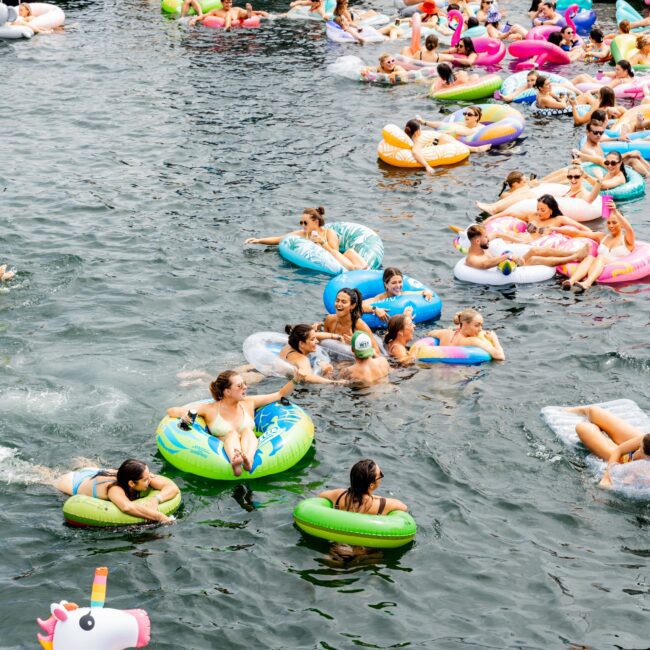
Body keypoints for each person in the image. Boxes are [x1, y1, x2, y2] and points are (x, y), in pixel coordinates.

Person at [167, 370, 296, 476]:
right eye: (239, 386)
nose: (245, 387)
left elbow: (280, 394)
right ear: (227, 391)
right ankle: (235, 460)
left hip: (249, 445)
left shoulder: (248, 403)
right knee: (232, 434)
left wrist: (296, 379)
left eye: (244, 384)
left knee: (247, 431)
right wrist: (185, 415)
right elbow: (173, 411)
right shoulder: (210, 409)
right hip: (223, 448)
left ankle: (248, 460)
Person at [54, 460, 180, 524]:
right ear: (131, 483)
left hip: (96, 472)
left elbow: (172, 488)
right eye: (146, 479)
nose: (150, 480)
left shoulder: (141, 476)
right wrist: (160, 517)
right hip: (73, 482)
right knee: (46, 477)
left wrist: (156, 499)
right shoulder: (115, 489)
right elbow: (126, 507)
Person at [245, 206, 369, 271]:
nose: (302, 226)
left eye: (305, 223)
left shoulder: (329, 233)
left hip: (337, 263)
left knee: (350, 252)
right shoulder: (304, 234)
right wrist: (259, 240)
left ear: (315, 222)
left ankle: (360, 269)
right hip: (320, 264)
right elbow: (280, 239)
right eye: (301, 222)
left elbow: (335, 253)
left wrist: (322, 242)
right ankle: (359, 269)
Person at [567, 405, 650, 488]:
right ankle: (564, 410)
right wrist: (607, 476)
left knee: (582, 427)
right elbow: (619, 450)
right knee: (593, 411)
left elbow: (627, 481)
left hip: (624, 461)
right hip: (638, 449)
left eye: (641, 450)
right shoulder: (645, 439)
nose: (639, 450)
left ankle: (604, 437)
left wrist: (608, 479)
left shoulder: (641, 470)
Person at [561, 200, 635, 292]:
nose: (611, 226)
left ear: (621, 224)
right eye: (608, 223)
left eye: (614, 222)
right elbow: (579, 233)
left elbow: (629, 229)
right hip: (596, 268)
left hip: (615, 269)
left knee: (600, 257)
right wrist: (556, 229)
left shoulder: (627, 240)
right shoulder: (602, 237)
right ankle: (570, 281)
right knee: (590, 257)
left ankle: (587, 283)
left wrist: (615, 211)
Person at [464, 222, 589, 270]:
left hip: (508, 264)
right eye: (485, 237)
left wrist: (518, 240)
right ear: (477, 241)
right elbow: (486, 265)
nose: (488, 238)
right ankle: (574, 258)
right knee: (535, 259)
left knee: (534, 250)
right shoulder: (472, 258)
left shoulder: (482, 244)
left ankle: (573, 253)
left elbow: (496, 234)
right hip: (503, 273)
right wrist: (508, 257)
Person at [319, 459, 408, 516]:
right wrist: (378, 498)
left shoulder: (339, 495)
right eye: (380, 474)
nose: (381, 476)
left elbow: (321, 496)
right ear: (372, 485)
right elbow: (403, 507)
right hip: (362, 545)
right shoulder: (380, 505)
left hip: (336, 543)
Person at [319, 287, 381, 354]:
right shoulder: (329, 320)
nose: (339, 304)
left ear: (352, 306)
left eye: (344, 302)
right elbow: (324, 344)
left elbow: (377, 353)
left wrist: (356, 343)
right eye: (337, 300)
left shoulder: (360, 326)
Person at [279, 324, 347, 385]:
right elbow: (307, 377)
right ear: (301, 344)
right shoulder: (302, 360)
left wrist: (337, 337)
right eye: (313, 339)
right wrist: (335, 382)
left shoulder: (291, 344)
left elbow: (316, 335)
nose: (317, 341)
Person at [426, 308, 505, 360]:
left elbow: (429, 333)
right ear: (464, 324)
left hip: (438, 370)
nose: (480, 329)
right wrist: (494, 339)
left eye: (481, 325)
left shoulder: (444, 333)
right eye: (477, 325)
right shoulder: (472, 341)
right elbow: (500, 356)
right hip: (458, 376)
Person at [361, 267, 433, 323]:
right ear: (386, 285)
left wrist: (427, 292)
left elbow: (423, 292)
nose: (398, 286)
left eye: (400, 282)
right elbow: (358, 306)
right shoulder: (379, 299)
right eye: (394, 283)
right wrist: (375, 309)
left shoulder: (404, 294)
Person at [191, 0, 268, 28]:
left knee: (244, 14)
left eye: (230, 2)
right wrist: (194, 19)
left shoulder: (236, 9)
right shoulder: (216, 11)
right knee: (228, 14)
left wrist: (260, 12)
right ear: (222, 3)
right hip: (228, 21)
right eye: (226, 3)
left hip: (238, 18)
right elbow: (204, 16)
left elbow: (253, 13)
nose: (228, 4)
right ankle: (227, 27)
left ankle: (248, 14)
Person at [571, 60, 636, 90]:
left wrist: (591, 91)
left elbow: (606, 88)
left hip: (600, 87)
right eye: (615, 69)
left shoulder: (619, 80)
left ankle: (566, 85)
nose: (616, 71)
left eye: (618, 70)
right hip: (600, 84)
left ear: (626, 70)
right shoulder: (629, 76)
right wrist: (604, 73)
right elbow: (600, 75)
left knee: (581, 77)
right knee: (584, 75)